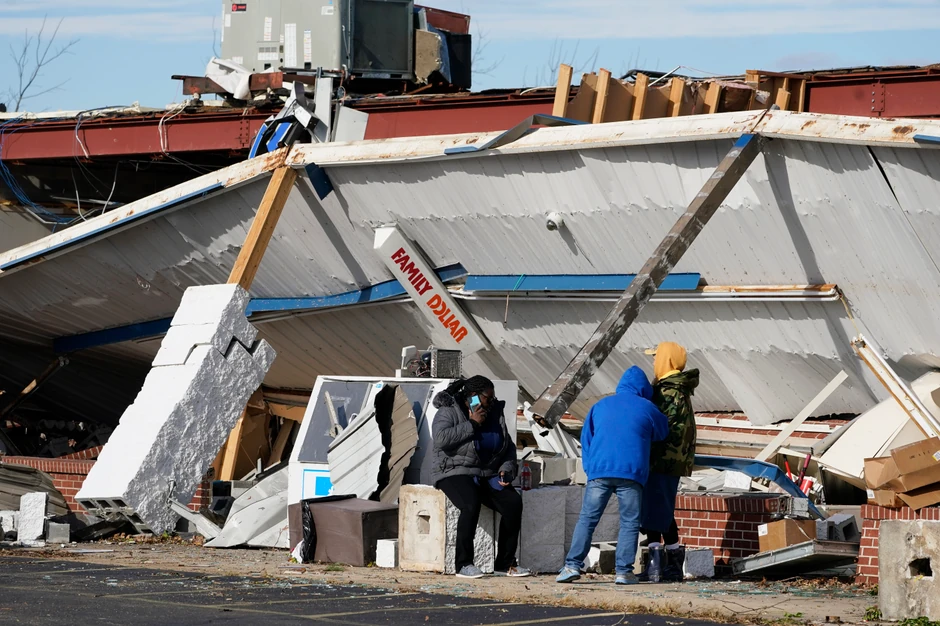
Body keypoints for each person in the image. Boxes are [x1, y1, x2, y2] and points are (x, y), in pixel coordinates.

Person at [556, 366, 668, 585]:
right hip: (632, 473)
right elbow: (662, 433)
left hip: (600, 470)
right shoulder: (648, 407)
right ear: (644, 389)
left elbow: (586, 439)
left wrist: (590, 468)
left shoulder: (600, 405)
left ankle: (571, 566)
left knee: (588, 519)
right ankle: (623, 572)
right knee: (629, 523)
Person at [431, 375, 531, 579]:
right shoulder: (449, 410)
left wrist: (506, 468)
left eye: (493, 397)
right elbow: (440, 439)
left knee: (513, 503)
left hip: (487, 473)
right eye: (488, 397)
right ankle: (464, 564)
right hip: (454, 470)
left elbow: (508, 446)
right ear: (473, 395)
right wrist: (472, 424)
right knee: (470, 503)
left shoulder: (494, 413)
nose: (491, 401)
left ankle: (505, 563)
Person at [638, 342, 700, 583]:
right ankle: (670, 563)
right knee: (660, 509)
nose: (654, 362)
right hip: (671, 460)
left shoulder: (667, 392)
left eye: (656, 357)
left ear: (666, 359)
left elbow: (659, 428)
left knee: (655, 509)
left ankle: (659, 566)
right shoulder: (678, 389)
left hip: (661, 460)